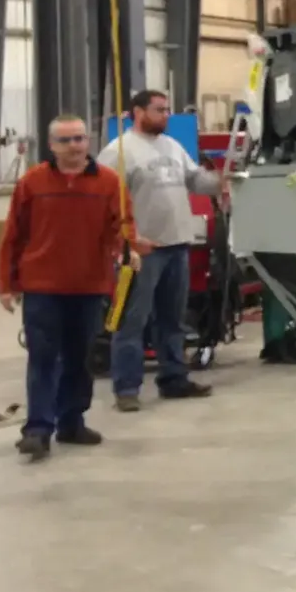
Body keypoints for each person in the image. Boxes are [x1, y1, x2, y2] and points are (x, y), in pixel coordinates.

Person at [0, 116, 131, 461]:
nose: (75, 146)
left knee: (80, 358)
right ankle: (38, 429)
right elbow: (13, 236)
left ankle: (71, 422)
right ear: (52, 145)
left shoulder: (109, 182)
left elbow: (122, 227)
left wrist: (129, 247)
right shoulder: (32, 183)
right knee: (42, 358)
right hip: (42, 287)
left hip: (89, 287)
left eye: (80, 139)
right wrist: (6, 285)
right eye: (66, 140)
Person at [98, 90, 220, 408]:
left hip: (178, 244)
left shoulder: (172, 146)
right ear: (138, 112)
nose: (166, 115)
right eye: (159, 110)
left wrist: (224, 179)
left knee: (172, 319)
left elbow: (195, 180)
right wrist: (124, 244)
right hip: (141, 252)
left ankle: (174, 379)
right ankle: (126, 390)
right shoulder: (118, 153)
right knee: (132, 320)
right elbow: (103, 202)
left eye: (167, 109)